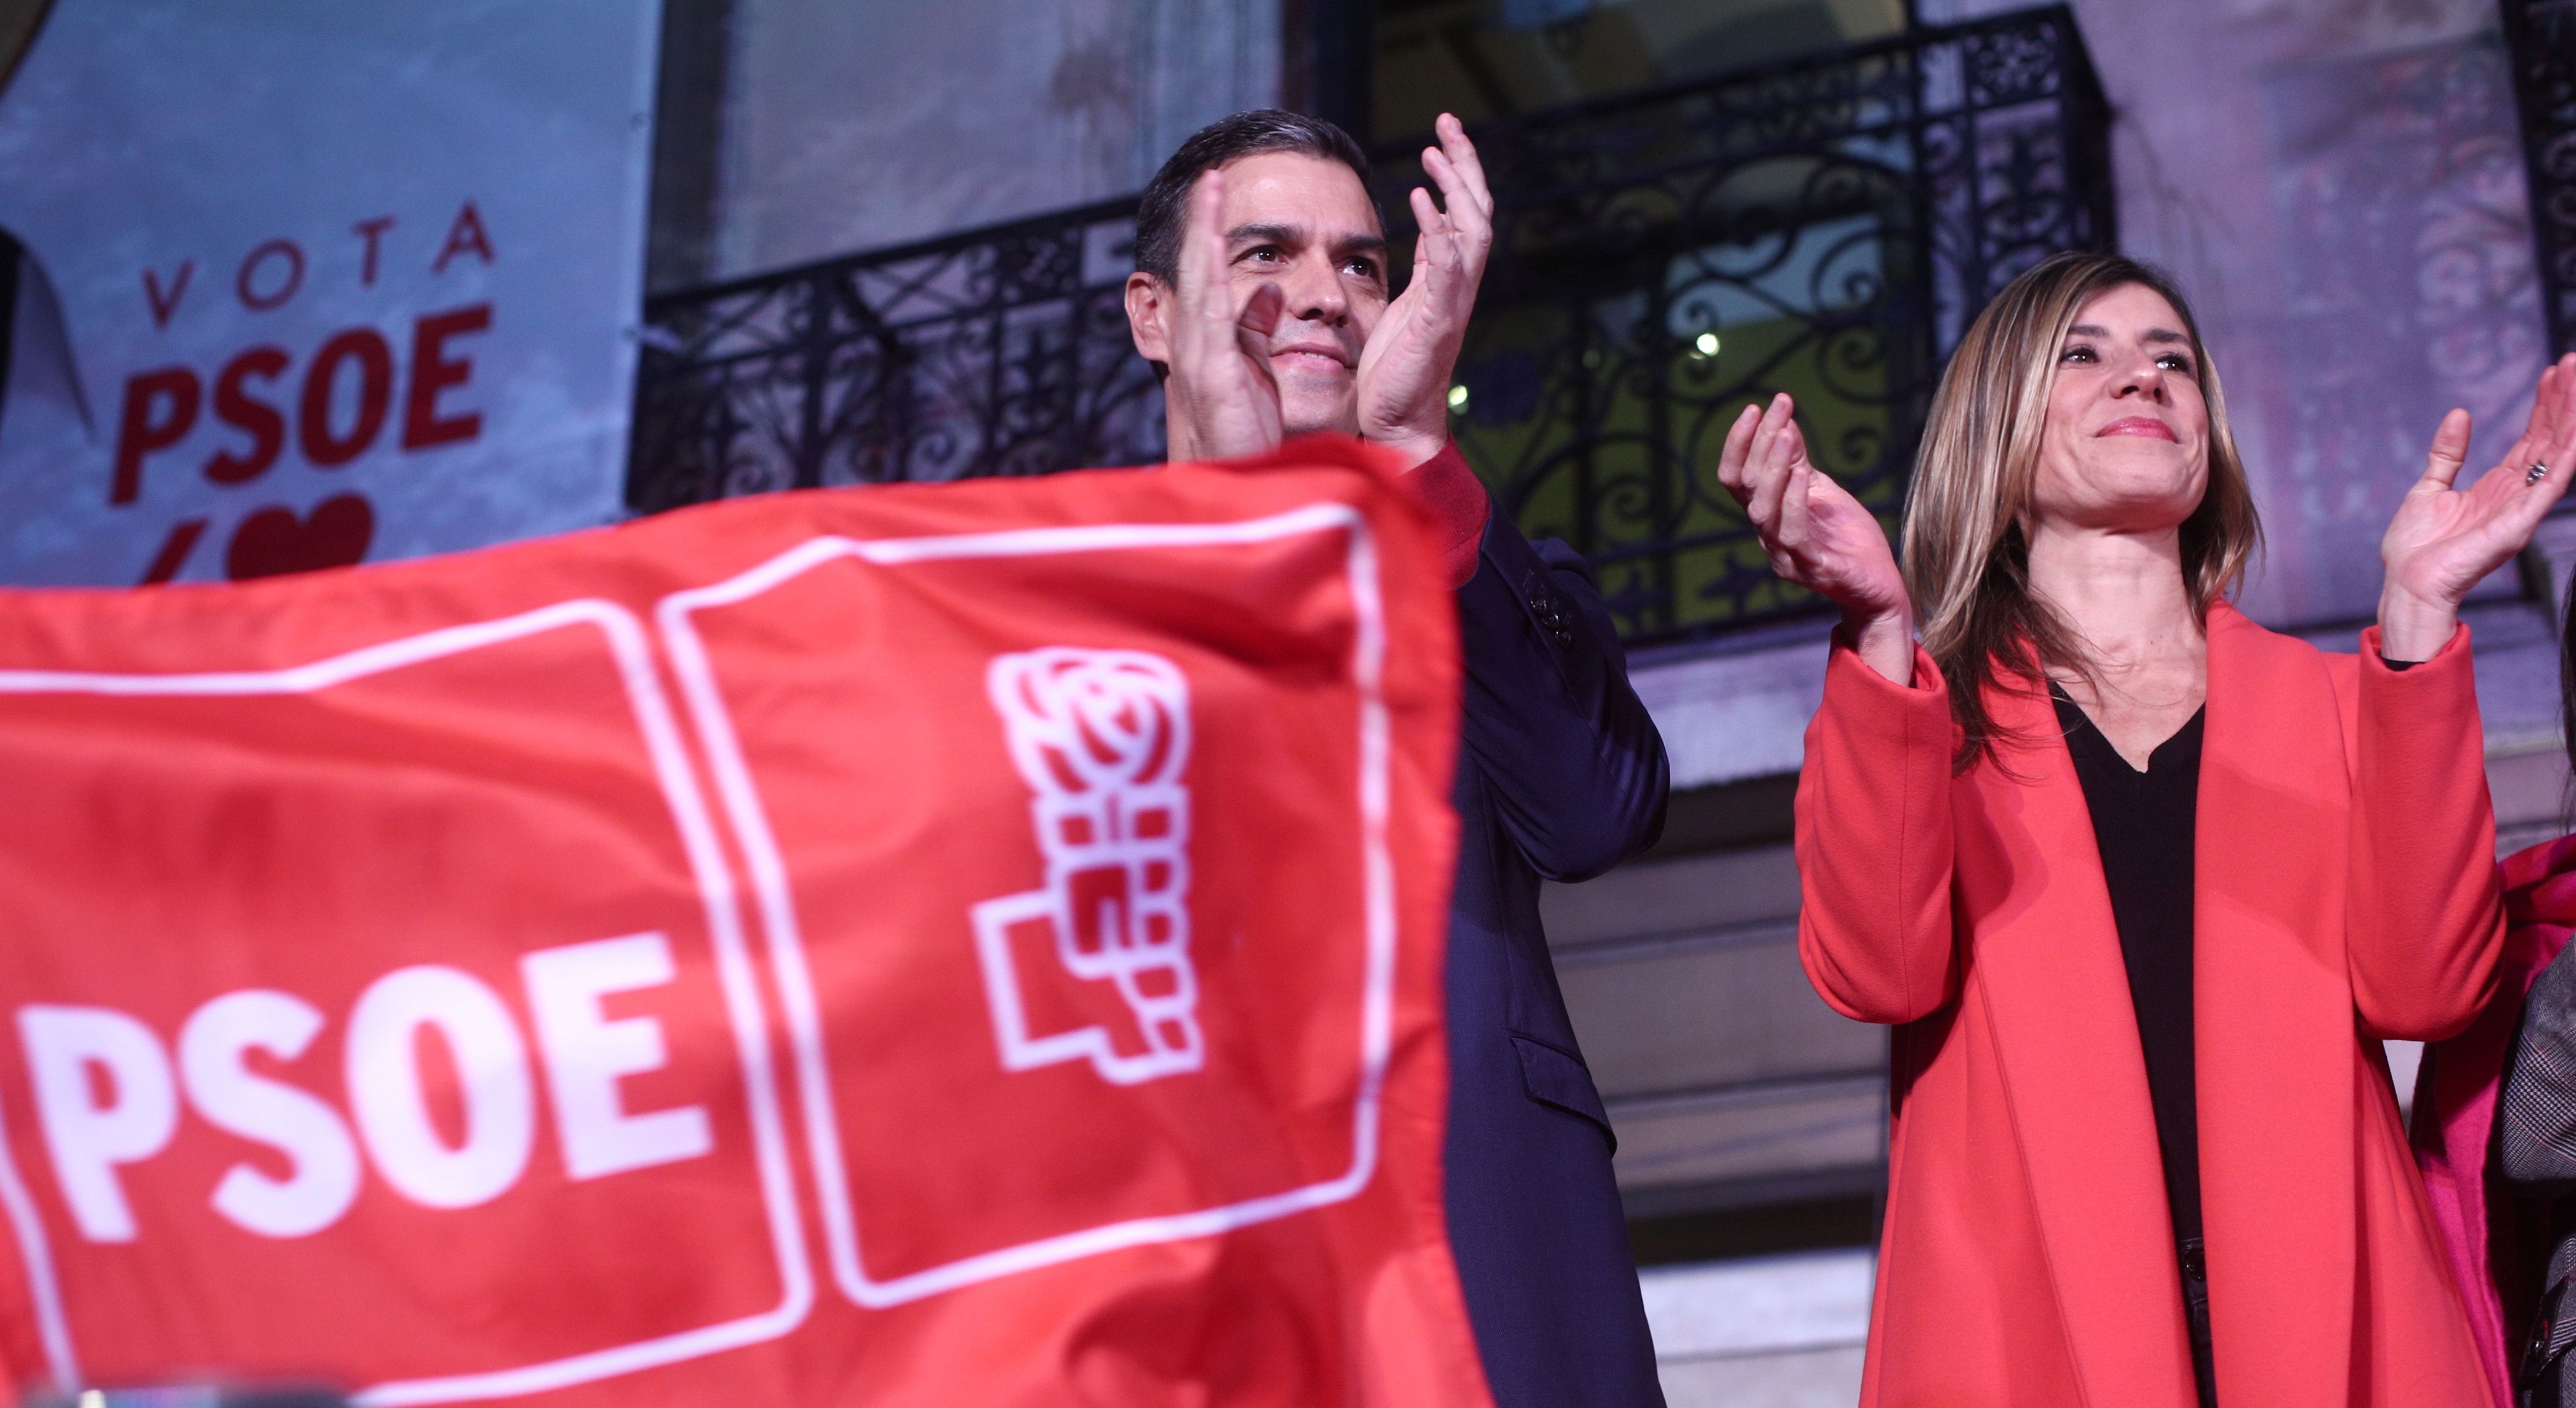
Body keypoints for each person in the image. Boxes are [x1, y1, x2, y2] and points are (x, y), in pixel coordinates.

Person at [1726, 246, 2574, 1407]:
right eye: (2084, 354)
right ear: (1998, 429)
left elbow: (2424, 990)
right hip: (2025, 1329)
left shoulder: (2335, 697)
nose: (2142, 379)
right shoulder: (1923, 711)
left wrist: (2420, 613)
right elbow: (1877, 971)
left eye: (2170, 359)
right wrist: (1880, 628)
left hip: (2339, 1321)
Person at [1121, 110, 1672, 1407]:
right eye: (1267, 250)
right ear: (1155, 314)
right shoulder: (1032, 613)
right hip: (1175, 1265)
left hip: (1481, 1256)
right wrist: (1236, 521)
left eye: (1362, 264)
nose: (1325, 294)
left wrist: (1417, 450)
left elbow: (1595, 816)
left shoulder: (1473, 574)